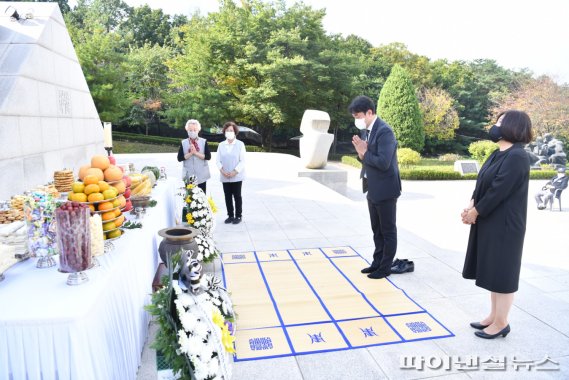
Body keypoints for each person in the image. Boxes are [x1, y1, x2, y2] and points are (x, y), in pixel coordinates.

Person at [461, 110, 533, 339]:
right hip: (489, 219)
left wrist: (475, 212)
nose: (496, 125)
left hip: (505, 225)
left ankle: (502, 322)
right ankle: (493, 316)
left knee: (502, 273)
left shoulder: (518, 156)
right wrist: (471, 205)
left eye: (501, 122)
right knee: (492, 270)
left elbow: (498, 190)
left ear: (513, 126)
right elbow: (482, 183)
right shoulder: (496, 153)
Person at [349, 95, 402, 279]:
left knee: (387, 230)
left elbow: (383, 162)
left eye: (358, 116)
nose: (357, 121)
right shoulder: (366, 131)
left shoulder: (384, 131)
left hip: (386, 188)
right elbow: (364, 157)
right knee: (376, 229)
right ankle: (377, 262)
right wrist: (360, 153)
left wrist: (364, 153)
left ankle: (385, 267)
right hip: (372, 187)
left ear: (369, 112)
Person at [216, 121, 246, 224]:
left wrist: (235, 172)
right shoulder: (221, 145)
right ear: (224, 132)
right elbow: (217, 161)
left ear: (235, 132)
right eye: (227, 130)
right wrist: (222, 171)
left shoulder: (240, 144)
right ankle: (230, 215)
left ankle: (238, 216)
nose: (229, 132)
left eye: (231, 130)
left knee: (237, 196)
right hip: (224, 175)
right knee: (227, 196)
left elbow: (243, 161)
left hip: (236, 176)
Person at [177, 119, 211, 193]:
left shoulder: (203, 141)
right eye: (190, 130)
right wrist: (190, 153)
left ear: (198, 130)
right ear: (187, 130)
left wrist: (196, 153)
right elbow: (179, 158)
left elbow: (208, 157)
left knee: (201, 198)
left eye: (195, 130)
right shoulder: (184, 142)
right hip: (188, 174)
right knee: (189, 198)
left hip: (201, 175)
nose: (192, 132)